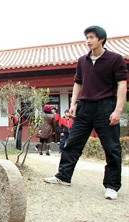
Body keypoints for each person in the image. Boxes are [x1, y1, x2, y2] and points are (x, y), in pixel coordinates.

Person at [44, 26, 128, 200]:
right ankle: (63, 176)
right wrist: (73, 104)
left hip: (106, 106)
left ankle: (112, 186)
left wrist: (118, 110)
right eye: (86, 38)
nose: (88, 41)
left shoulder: (115, 59)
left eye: (91, 37)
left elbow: (121, 84)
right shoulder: (82, 60)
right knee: (72, 143)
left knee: (112, 148)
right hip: (85, 107)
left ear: (101, 39)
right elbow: (78, 83)